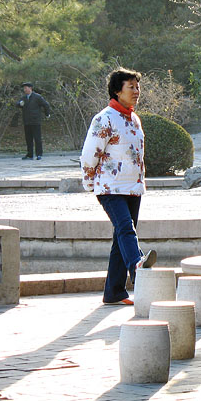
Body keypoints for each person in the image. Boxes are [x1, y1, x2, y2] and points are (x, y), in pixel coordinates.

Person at [80, 68, 156, 306]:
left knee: (120, 237)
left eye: (137, 87)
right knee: (126, 228)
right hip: (110, 187)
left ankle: (114, 292)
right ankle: (138, 267)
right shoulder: (104, 118)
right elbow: (89, 154)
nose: (136, 91)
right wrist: (90, 182)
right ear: (116, 90)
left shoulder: (134, 118)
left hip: (133, 187)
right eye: (131, 87)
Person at [16, 82, 52, 160]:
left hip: (35, 121)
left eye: (26, 88)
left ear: (30, 88)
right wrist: (19, 104)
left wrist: (47, 114)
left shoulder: (37, 97)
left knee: (37, 138)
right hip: (27, 121)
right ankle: (30, 154)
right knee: (28, 139)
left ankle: (39, 154)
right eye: (24, 88)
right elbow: (17, 104)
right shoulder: (24, 98)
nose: (25, 89)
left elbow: (45, 105)